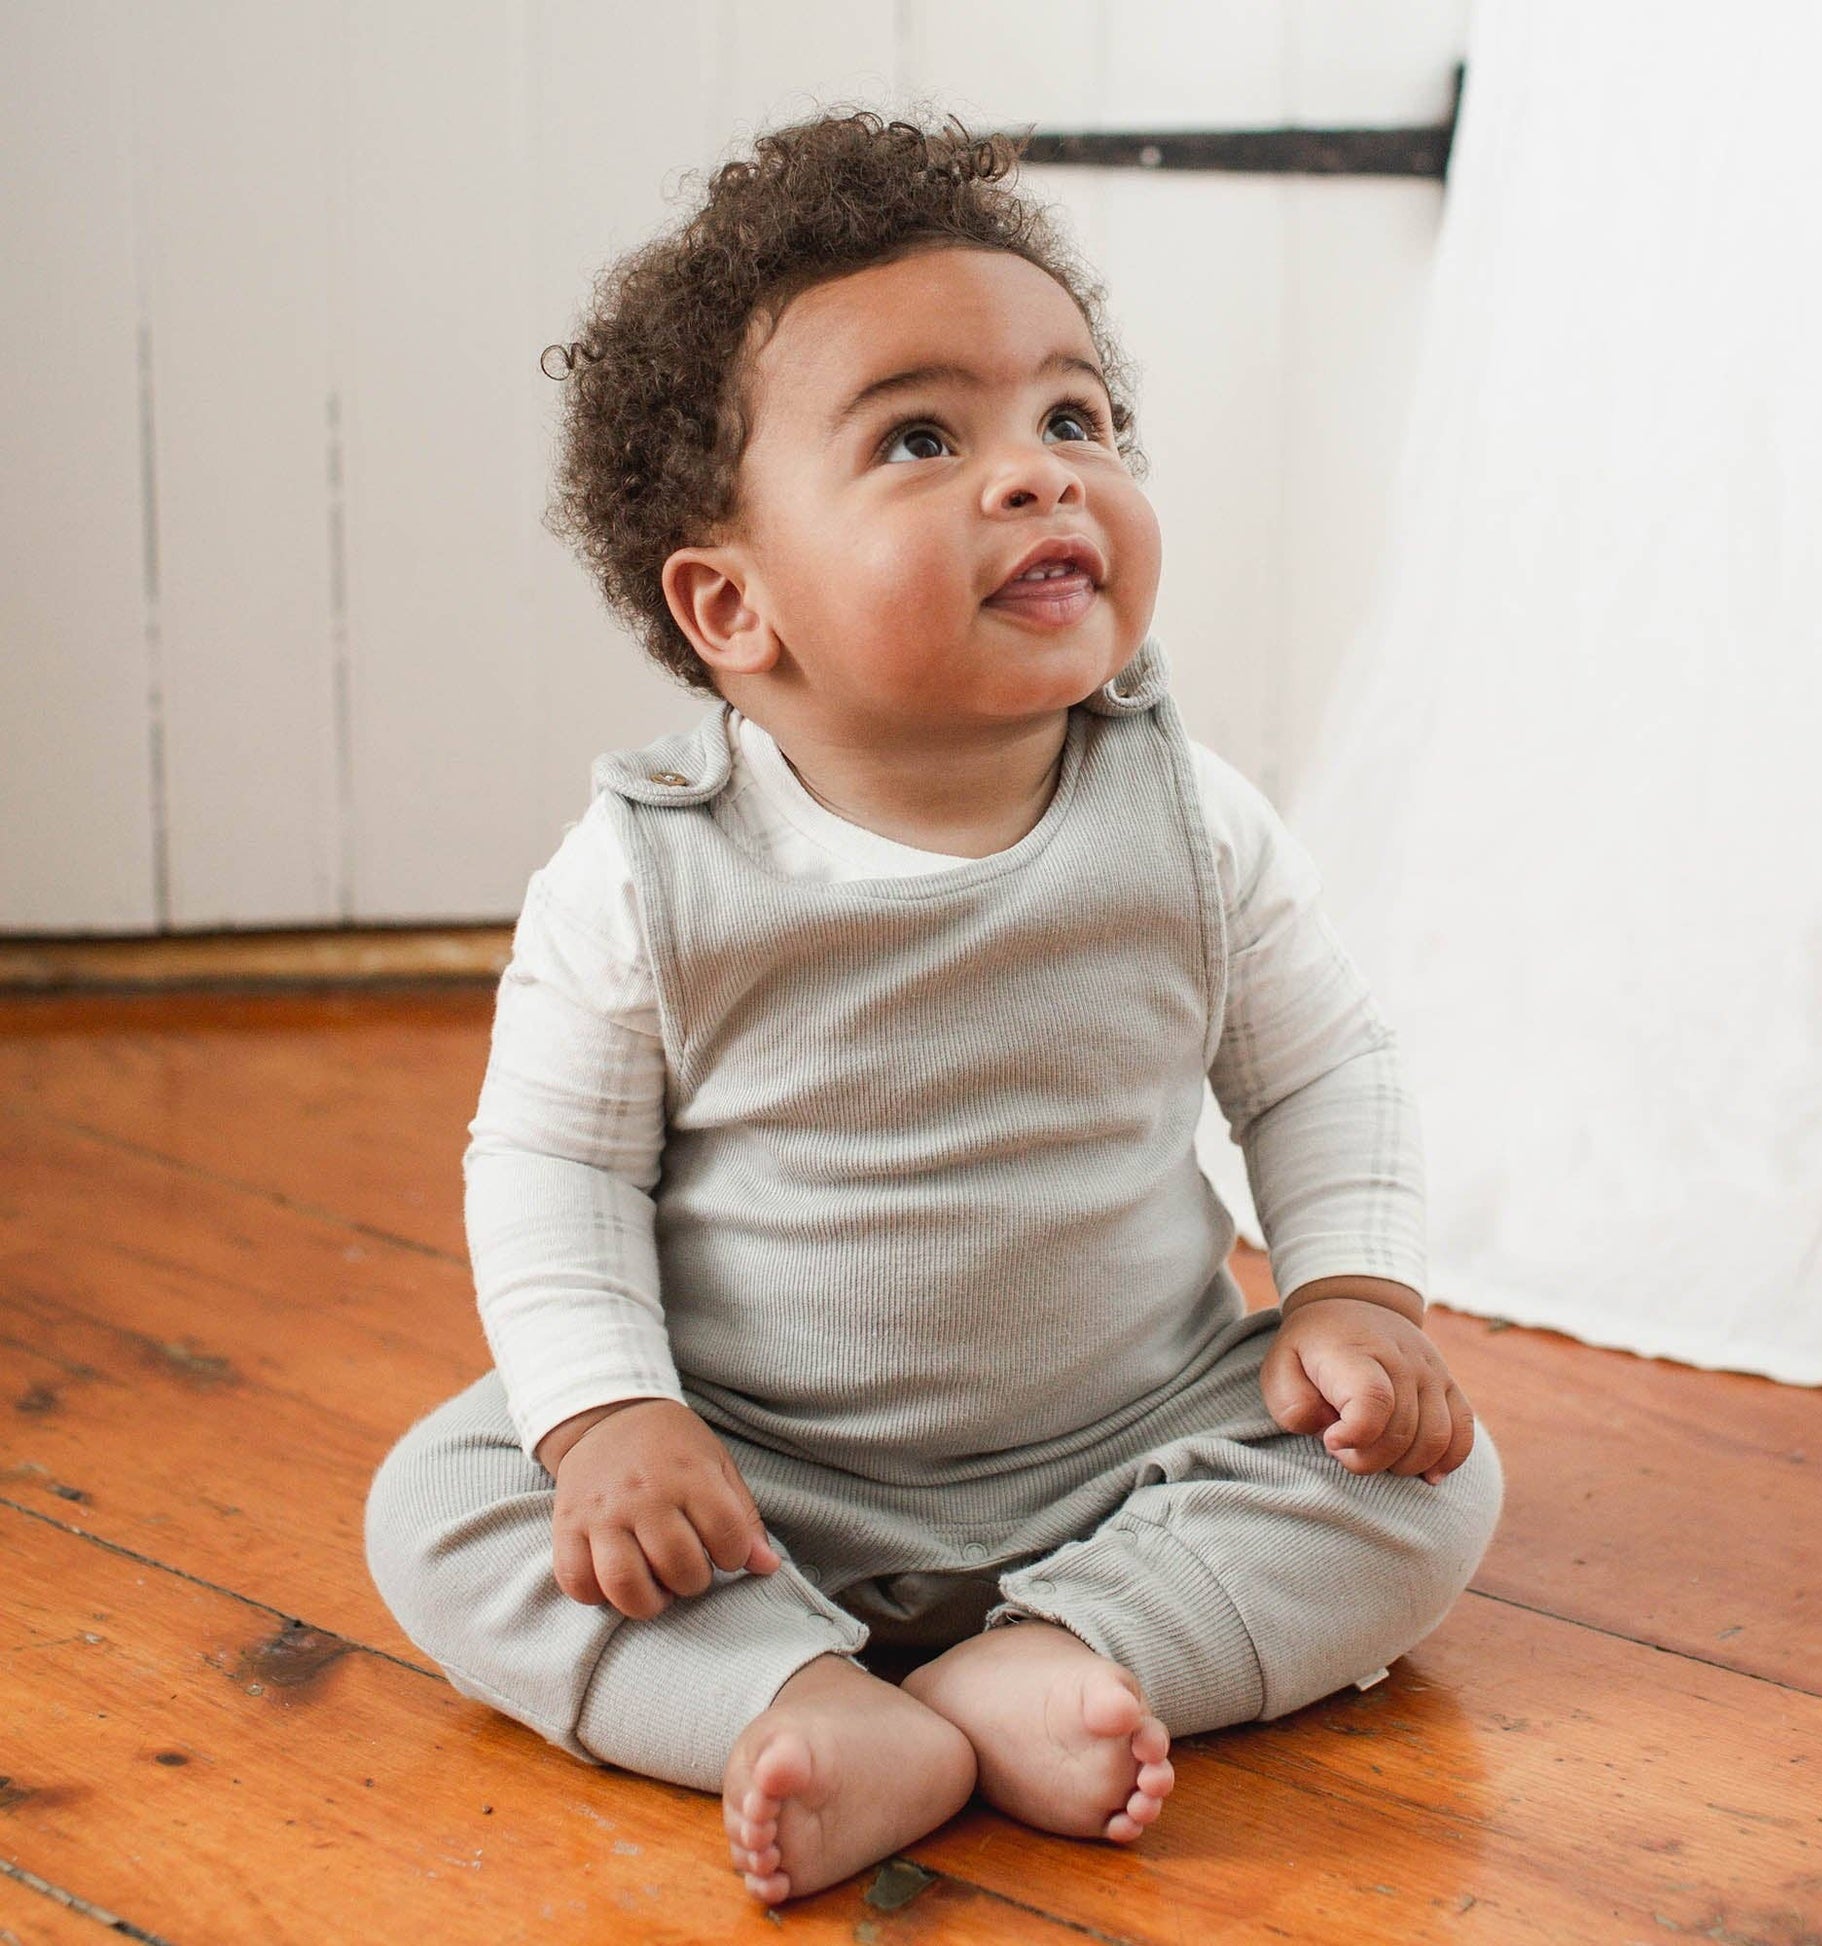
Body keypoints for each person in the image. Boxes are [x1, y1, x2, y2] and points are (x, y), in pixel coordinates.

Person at [363, 107, 1504, 1908]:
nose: (1042, 474)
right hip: (754, 1459)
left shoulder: (1187, 817)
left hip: (1129, 1429)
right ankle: (789, 1687)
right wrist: (606, 1422)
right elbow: (551, 1168)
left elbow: (1319, 1066)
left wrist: (1355, 1295)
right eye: (921, 435)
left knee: (1431, 1483)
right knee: (444, 1505)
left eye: (1075, 419)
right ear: (733, 603)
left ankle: (1060, 1648)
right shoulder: (648, 871)